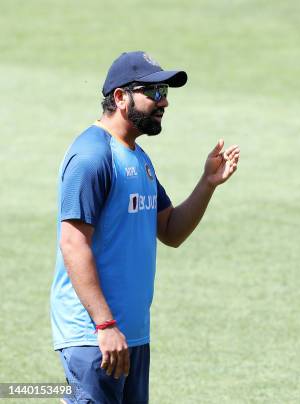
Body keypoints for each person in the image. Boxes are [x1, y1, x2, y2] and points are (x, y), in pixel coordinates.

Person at [50, 51, 240, 403]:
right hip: (94, 336)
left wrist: (207, 183)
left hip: (131, 335)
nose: (164, 100)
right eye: (152, 91)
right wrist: (105, 326)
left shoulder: (137, 157)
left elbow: (171, 230)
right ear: (120, 97)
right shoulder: (92, 156)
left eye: (164, 91)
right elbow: (73, 244)